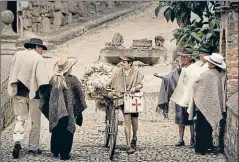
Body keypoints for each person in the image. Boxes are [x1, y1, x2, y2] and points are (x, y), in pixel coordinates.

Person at [7, 38, 49, 158]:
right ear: (36, 47)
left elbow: (13, 71)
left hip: (19, 93)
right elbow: (42, 79)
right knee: (35, 122)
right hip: (34, 95)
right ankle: (33, 147)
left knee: (20, 119)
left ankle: (17, 141)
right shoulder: (38, 58)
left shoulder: (18, 54)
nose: (41, 51)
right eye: (41, 48)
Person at [40, 56, 87, 160]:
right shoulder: (73, 80)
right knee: (67, 130)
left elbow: (46, 97)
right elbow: (80, 96)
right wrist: (78, 111)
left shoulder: (53, 79)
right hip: (69, 113)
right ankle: (65, 153)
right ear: (69, 69)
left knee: (56, 128)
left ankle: (55, 150)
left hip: (56, 112)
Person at [170, 46, 211, 148]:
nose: (183, 59)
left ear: (190, 58)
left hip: (191, 96)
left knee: (192, 118)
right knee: (180, 119)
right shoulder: (178, 68)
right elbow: (170, 77)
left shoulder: (195, 67)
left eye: (185, 57)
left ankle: (193, 139)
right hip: (181, 96)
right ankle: (181, 139)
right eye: (182, 57)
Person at [109, 53, 144, 154]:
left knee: (135, 122)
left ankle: (135, 136)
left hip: (133, 99)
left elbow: (141, 85)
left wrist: (134, 88)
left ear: (130, 63)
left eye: (124, 62)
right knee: (127, 121)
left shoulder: (136, 72)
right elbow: (112, 82)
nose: (122, 63)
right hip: (123, 98)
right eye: (122, 61)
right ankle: (128, 145)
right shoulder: (118, 72)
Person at [193, 53, 226, 155]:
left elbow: (196, 84)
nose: (208, 63)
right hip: (213, 104)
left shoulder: (208, 74)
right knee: (208, 127)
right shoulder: (219, 74)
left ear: (213, 64)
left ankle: (200, 148)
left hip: (204, 104)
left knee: (201, 127)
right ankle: (209, 146)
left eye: (210, 62)